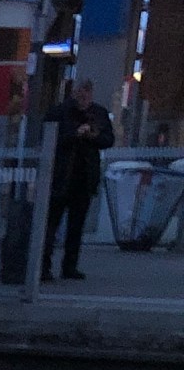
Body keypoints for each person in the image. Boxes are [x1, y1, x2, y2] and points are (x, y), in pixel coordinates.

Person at [41, 76, 115, 282]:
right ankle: (44, 265)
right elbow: (51, 138)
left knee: (76, 225)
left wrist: (93, 136)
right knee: (51, 223)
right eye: (80, 92)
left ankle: (69, 266)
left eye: (86, 92)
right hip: (62, 175)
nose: (83, 97)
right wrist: (76, 134)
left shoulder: (98, 113)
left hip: (83, 176)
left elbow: (108, 139)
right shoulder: (60, 112)